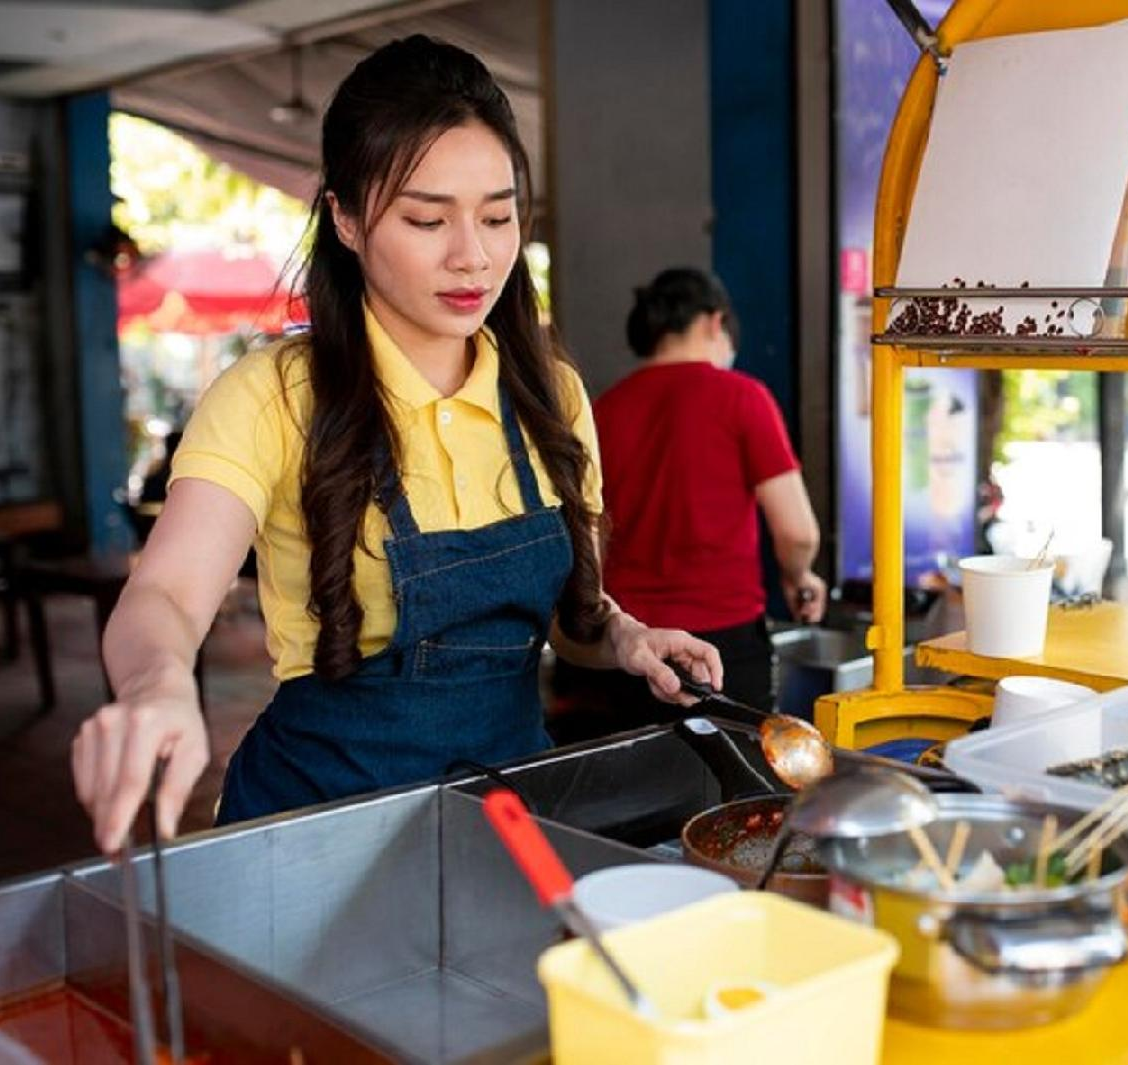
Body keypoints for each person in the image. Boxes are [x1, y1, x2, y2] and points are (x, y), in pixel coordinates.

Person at [70, 37, 723, 853]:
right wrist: (157, 686)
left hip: (507, 816)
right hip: (315, 824)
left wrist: (624, 636)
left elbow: (569, 623)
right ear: (344, 217)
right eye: (426, 218)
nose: (473, 256)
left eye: (497, 214)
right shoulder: (275, 396)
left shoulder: (550, 394)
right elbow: (163, 595)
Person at [588, 268, 825, 717]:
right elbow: (798, 534)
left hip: (628, 649)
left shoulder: (604, 409)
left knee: (639, 782)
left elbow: (591, 543)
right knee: (737, 786)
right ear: (715, 323)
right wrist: (800, 577)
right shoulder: (743, 398)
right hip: (723, 647)